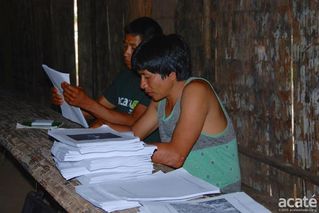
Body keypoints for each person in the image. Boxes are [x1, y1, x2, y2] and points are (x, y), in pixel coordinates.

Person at [128, 34, 241, 193]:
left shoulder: (197, 91)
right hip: (185, 188)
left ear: (171, 74)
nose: (142, 84)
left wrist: (124, 150)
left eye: (147, 77)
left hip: (216, 195)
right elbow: (132, 135)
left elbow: (175, 156)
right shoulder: (160, 100)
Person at [51, 17, 163, 142]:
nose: (126, 52)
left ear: (150, 48)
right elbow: (96, 110)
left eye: (133, 47)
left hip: (144, 147)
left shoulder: (155, 82)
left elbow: (135, 121)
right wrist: (69, 100)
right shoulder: (125, 76)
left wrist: (86, 103)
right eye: (125, 46)